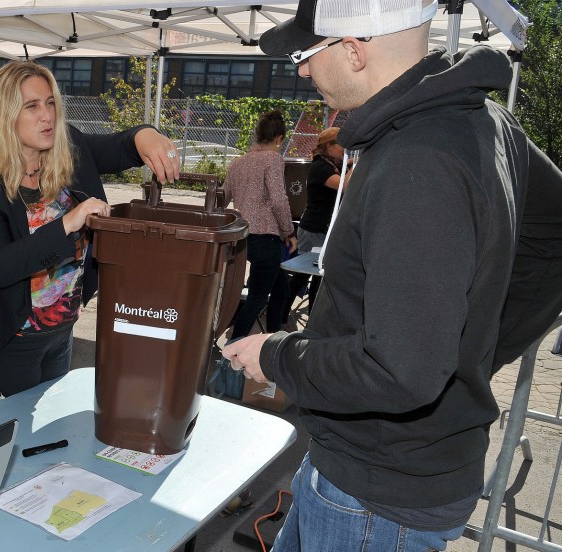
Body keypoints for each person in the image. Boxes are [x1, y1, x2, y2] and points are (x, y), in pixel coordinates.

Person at [224, 0, 562, 549]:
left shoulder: (418, 158)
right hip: (365, 463)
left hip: (377, 494)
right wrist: (470, 346)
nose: (303, 72)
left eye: (305, 55)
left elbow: (401, 372)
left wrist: (275, 355)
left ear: (353, 51)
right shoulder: (484, 121)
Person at [0, 61, 180, 397]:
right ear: (4, 115)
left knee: (50, 426)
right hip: (3, 340)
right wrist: (67, 222)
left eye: (50, 103)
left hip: (59, 332)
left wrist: (145, 135)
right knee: (7, 429)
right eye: (32, 106)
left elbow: (121, 146)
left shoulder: (68, 147)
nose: (47, 115)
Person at [222, 109, 297, 339]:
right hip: (266, 236)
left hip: (243, 236)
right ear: (279, 139)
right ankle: (234, 346)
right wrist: (289, 231)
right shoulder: (273, 159)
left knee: (281, 288)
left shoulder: (239, 162)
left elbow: (222, 198)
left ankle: (272, 337)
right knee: (257, 298)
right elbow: (278, 200)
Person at [280, 126, 345, 324]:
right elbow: (345, 185)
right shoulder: (321, 167)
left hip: (321, 229)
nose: (345, 149)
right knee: (304, 275)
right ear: (329, 147)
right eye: (342, 145)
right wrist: (356, 165)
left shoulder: (329, 165)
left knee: (318, 276)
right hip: (314, 230)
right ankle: (281, 315)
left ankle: (311, 318)